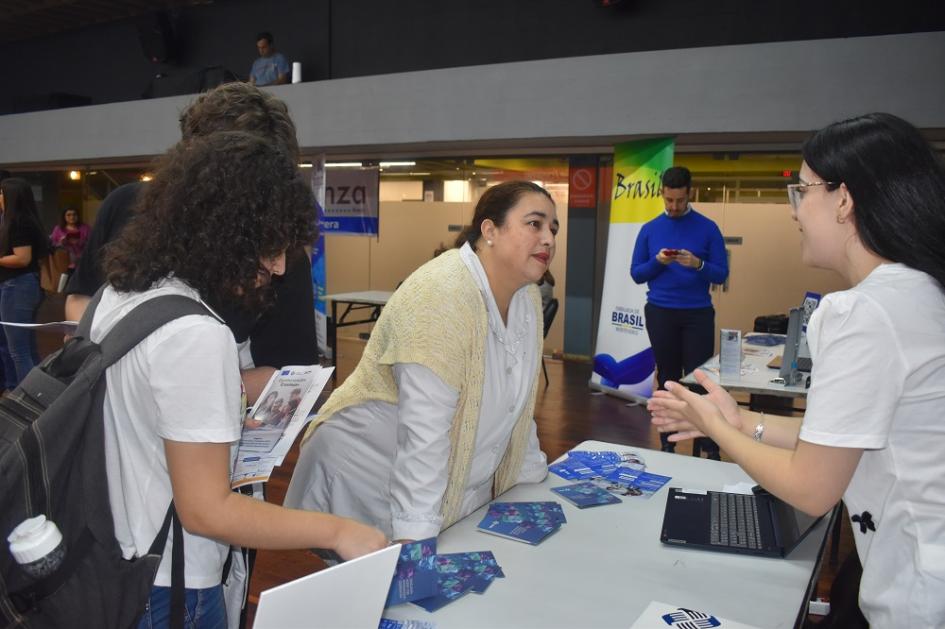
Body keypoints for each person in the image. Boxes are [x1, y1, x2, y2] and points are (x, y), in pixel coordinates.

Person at [648, 113, 945, 627]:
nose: (795, 212)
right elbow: (845, 437)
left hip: (920, 586)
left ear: (844, 199)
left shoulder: (864, 312)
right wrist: (743, 422)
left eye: (801, 192)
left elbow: (811, 486)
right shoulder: (918, 291)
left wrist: (717, 429)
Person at [95, 131, 386, 629]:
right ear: (224, 231)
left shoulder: (125, 295)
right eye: (270, 246)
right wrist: (339, 530)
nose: (277, 267)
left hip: (118, 561)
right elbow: (207, 512)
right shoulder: (196, 334)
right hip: (172, 584)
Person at [285, 181, 557, 541]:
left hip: (440, 476)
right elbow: (423, 435)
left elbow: (518, 413)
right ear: (490, 230)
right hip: (369, 471)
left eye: (554, 228)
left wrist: (536, 486)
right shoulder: (440, 296)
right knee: (379, 590)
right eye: (535, 224)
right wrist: (416, 542)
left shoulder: (527, 299)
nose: (549, 239)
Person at [64, 81, 317, 401]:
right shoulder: (126, 208)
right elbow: (81, 299)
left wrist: (200, 379)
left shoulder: (277, 253)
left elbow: (290, 375)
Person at [630, 165, 728, 457]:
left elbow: (721, 274)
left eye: (680, 201)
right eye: (668, 200)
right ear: (662, 194)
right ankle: (667, 443)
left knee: (700, 381)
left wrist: (697, 264)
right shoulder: (649, 229)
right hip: (660, 312)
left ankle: (707, 446)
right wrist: (659, 261)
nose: (673, 207)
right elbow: (637, 274)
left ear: (690, 194)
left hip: (697, 313)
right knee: (669, 379)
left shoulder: (708, 228)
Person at [0, 178, 49, 388]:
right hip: (17, 285)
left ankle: (27, 396)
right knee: (21, 347)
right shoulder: (15, 220)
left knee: (18, 349)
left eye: (1, 193)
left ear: (11, 197)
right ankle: (23, 391)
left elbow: (22, 258)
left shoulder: (20, 222)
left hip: (18, 286)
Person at [50, 207, 91, 274]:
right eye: (68, 215)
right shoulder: (58, 229)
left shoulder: (85, 228)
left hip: (82, 262)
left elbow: (92, 243)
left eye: (74, 214)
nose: (72, 217)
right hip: (64, 262)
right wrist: (61, 243)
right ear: (64, 217)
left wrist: (79, 242)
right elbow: (52, 244)